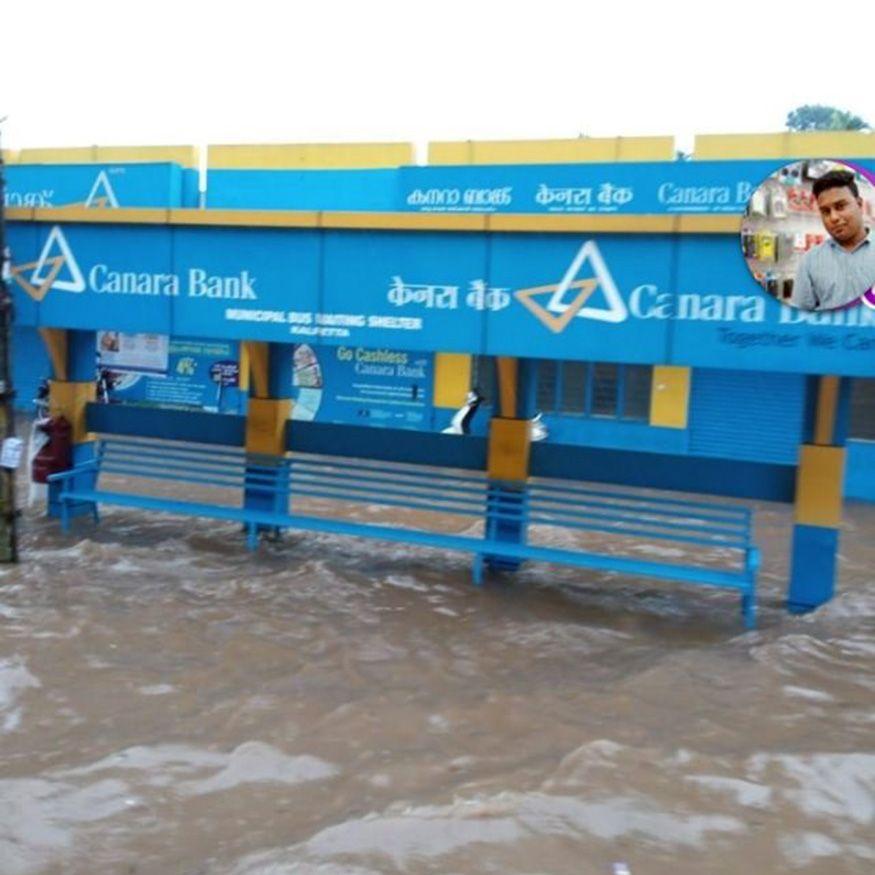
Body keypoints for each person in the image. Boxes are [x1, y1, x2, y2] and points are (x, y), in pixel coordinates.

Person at [791, 169, 875, 311]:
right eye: (825, 211)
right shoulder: (810, 261)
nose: (833, 217)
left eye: (840, 206)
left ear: (859, 205)